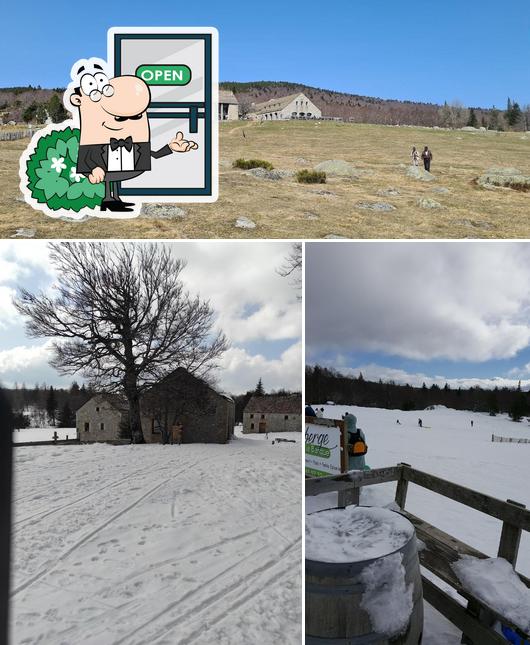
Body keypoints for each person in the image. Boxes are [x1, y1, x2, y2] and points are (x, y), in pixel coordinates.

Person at [69, 60, 198, 212]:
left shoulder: (135, 144)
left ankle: (115, 199)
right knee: (109, 177)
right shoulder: (93, 143)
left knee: (115, 178)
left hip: (123, 166)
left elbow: (153, 155)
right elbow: (86, 159)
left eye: (136, 117)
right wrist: (93, 169)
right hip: (101, 169)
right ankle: (107, 200)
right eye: (119, 118)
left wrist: (170, 148)